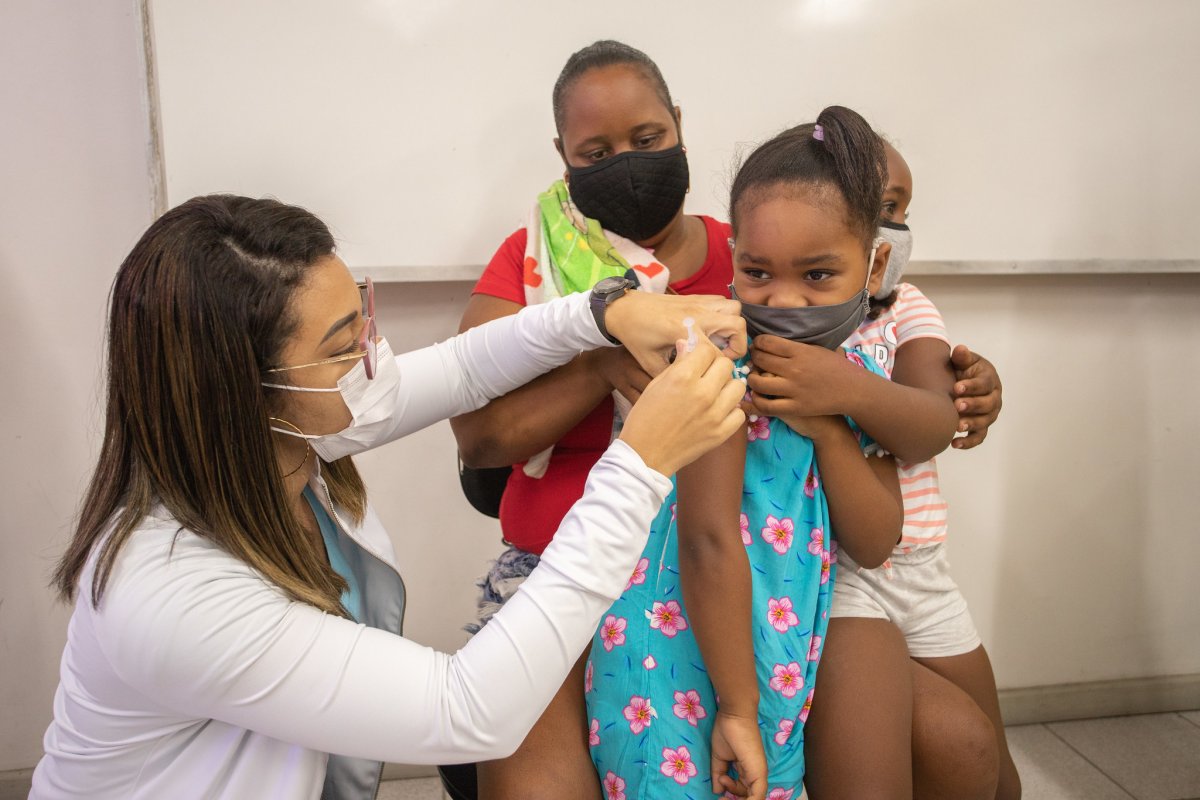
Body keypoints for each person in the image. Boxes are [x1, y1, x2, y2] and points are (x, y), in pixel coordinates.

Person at [30, 194, 750, 800]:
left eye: (362, 317)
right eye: (344, 347)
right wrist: (641, 462)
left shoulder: (289, 436)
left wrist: (603, 314)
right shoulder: (170, 594)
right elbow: (472, 710)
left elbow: (464, 368)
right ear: (242, 392)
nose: (374, 358)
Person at [452, 40, 1007, 799]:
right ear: (563, 155)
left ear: (678, 125)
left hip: (796, 582)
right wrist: (603, 360)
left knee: (965, 747)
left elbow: (895, 382)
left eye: (647, 140)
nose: (780, 297)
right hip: (569, 567)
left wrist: (956, 387)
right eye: (597, 150)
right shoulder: (534, 260)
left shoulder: (763, 239)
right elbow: (478, 436)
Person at [800, 142, 1021, 800]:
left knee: (996, 775)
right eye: (876, 205)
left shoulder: (908, 306)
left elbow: (928, 424)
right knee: (889, 763)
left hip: (923, 571)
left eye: (899, 208)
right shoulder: (787, 304)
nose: (891, 225)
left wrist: (971, 391)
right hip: (835, 576)